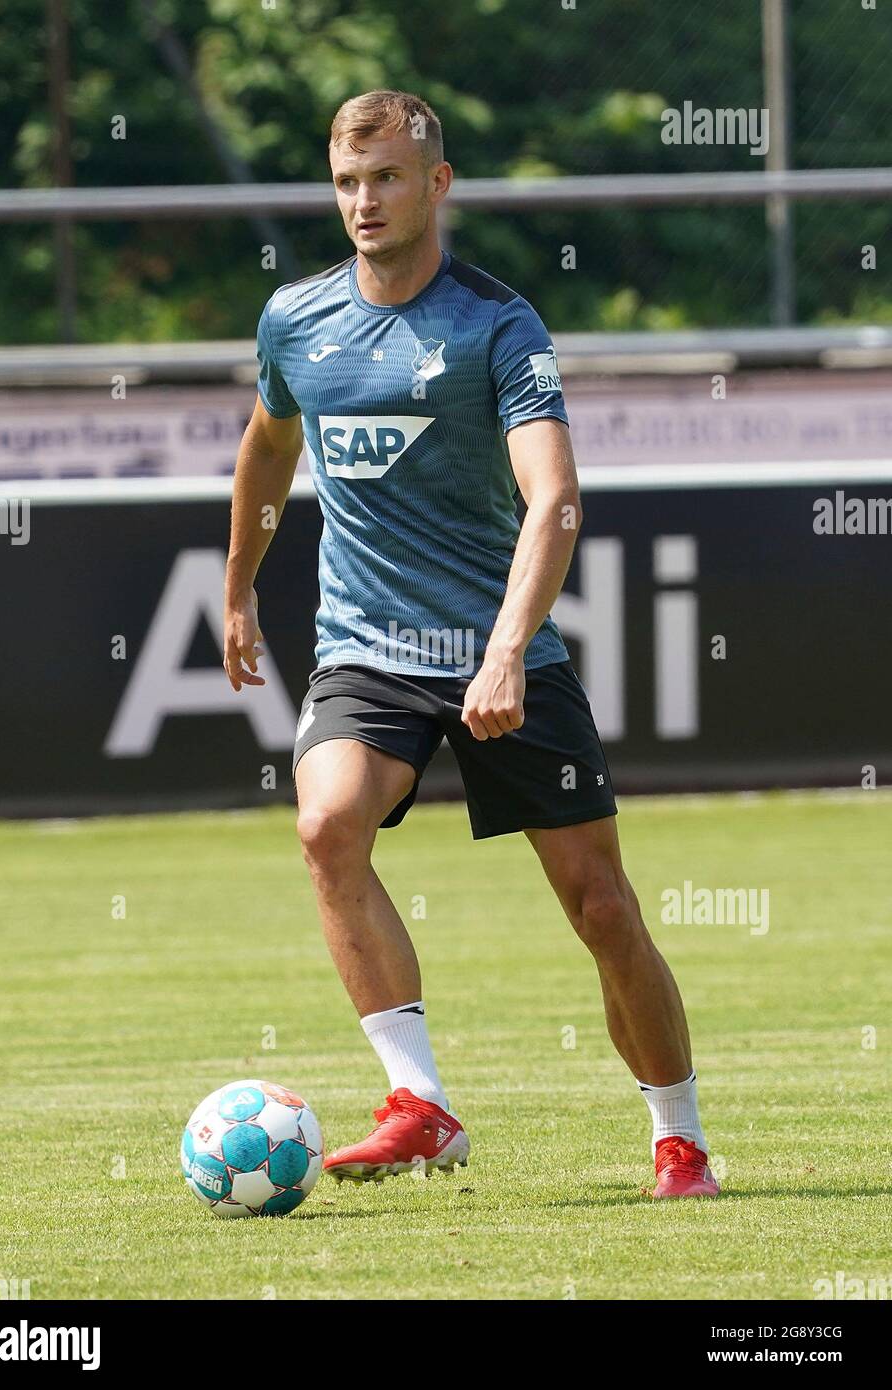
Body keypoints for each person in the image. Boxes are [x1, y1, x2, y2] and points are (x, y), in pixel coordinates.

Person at [223, 89, 718, 1199]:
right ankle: (419, 1101)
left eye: (386, 179)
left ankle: (678, 1135)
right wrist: (240, 587)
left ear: (435, 185)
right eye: (347, 182)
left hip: (503, 655)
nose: (363, 201)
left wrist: (503, 651)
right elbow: (265, 450)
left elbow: (553, 504)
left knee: (602, 909)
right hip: (366, 648)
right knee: (325, 823)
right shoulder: (294, 321)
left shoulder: (499, 324)